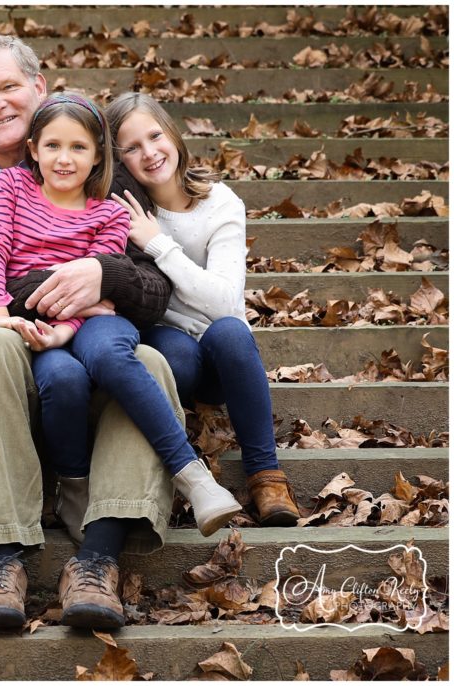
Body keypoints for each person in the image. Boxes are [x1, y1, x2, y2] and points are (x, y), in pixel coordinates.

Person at [0, 33, 183, 631]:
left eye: (10, 86)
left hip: (87, 363)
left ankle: (98, 558)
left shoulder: (101, 174)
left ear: (39, 89)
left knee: (155, 364)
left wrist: (104, 272)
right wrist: (62, 289)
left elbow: (155, 289)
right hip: (0, 372)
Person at [0, 92, 241, 542]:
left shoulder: (109, 212)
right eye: (53, 146)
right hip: (34, 320)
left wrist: (67, 326)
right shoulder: (13, 188)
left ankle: (191, 476)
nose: (64, 158)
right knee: (60, 376)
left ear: (99, 155)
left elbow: (96, 290)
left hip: (95, 322)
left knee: (112, 353)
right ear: (33, 149)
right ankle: (74, 486)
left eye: (79, 147)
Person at [106, 92, 300, 526]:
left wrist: (157, 244)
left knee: (231, 331)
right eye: (131, 147)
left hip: (221, 352)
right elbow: (60, 132)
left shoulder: (220, 203)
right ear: (116, 157)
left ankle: (266, 475)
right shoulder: (119, 205)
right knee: (169, 351)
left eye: (155, 136)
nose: (150, 153)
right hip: (171, 349)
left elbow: (224, 302)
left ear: (173, 133)